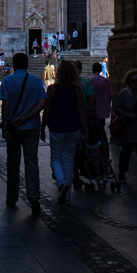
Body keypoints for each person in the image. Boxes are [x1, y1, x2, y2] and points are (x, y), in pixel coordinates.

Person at [0, 52, 46, 214]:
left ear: (14, 64)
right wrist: (27, 117)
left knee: (13, 162)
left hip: (13, 127)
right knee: (32, 162)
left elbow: (5, 105)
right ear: (27, 64)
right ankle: (34, 198)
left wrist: (5, 126)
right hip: (31, 126)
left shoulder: (8, 80)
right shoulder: (36, 81)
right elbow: (42, 104)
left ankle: (12, 197)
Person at [41, 60, 87, 204]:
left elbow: (47, 110)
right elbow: (81, 111)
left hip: (57, 127)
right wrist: (85, 129)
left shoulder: (52, 90)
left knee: (55, 158)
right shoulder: (77, 90)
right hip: (74, 128)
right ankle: (66, 197)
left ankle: (62, 183)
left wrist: (42, 127)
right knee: (68, 159)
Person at [112, 68, 137, 188]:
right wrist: (127, 115)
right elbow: (116, 108)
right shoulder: (123, 94)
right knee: (126, 153)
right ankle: (122, 174)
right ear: (128, 81)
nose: (135, 83)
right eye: (133, 80)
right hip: (128, 129)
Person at [88, 62, 113, 154]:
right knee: (101, 131)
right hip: (102, 110)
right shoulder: (105, 81)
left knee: (92, 131)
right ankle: (103, 150)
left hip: (91, 111)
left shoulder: (89, 80)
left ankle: (94, 151)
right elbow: (111, 94)